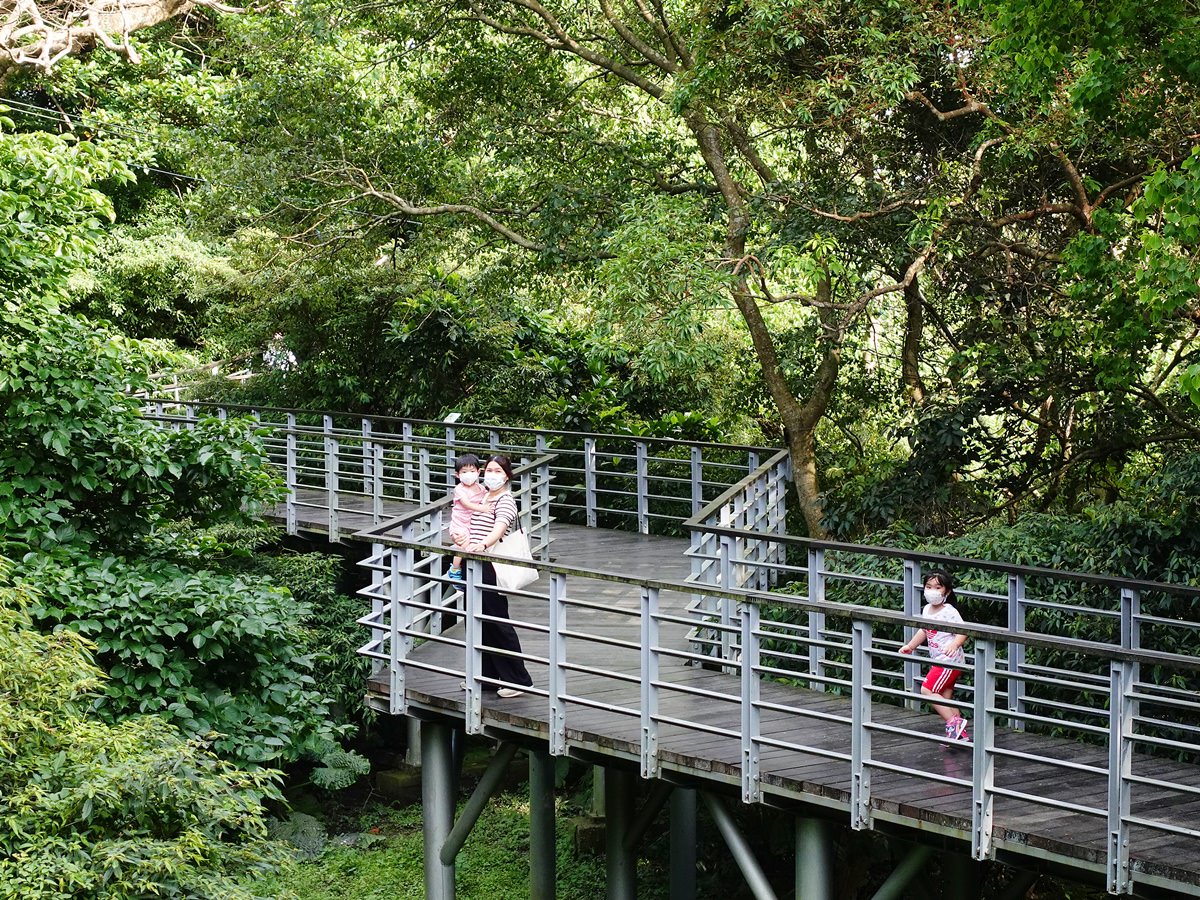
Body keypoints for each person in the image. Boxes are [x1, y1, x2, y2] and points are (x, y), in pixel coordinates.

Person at [454, 454, 533, 698]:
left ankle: (518, 680)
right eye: (489, 469)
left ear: (507, 476)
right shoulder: (483, 495)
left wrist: (483, 545)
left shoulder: (505, 500)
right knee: (478, 622)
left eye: (498, 471)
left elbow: (500, 527)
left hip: (490, 563)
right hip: (473, 561)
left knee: (498, 622)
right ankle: (485, 677)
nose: (492, 474)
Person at [899, 571, 970, 743]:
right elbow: (924, 630)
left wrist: (954, 644)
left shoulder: (949, 611)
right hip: (939, 660)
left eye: (938, 587)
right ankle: (959, 736)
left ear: (946, 591)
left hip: (949, 661)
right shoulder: (926, 610)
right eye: (928, 587)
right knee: (944, 698)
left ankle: (954, 723)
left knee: (927, 690)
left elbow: (963, 631)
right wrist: (910, 646)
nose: (932, 591)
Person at [446, 454, 487, 581]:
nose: (468, 474)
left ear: (478, 472)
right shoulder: (459, 489)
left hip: (473, 523)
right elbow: (466, 504)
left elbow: (486, 499)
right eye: (464, 472)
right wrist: (483, 508)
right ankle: (455, 568)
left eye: (472, 471)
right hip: (460, 524)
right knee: (463, 543)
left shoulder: (481, 488)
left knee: (473, 543)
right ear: (457, 474)